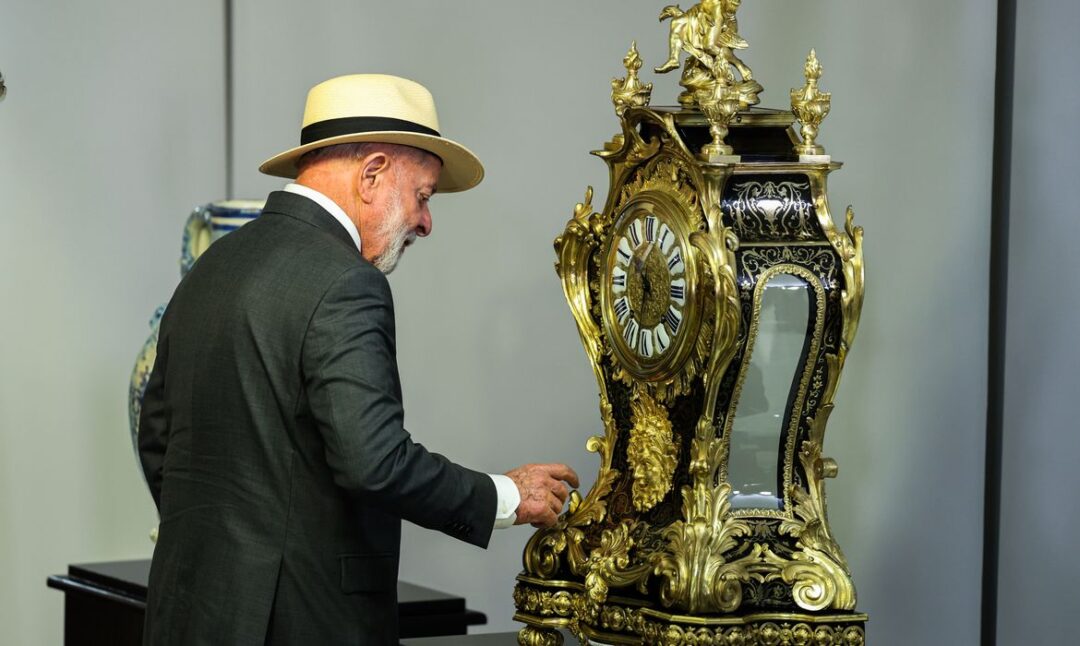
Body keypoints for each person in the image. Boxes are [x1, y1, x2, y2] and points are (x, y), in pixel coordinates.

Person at [137, 74, 579, 646]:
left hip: (186, 614)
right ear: (372, 174)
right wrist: (509, 496)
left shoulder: (212, 265)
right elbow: (373, 461)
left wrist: (225, 555)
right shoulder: (348, 282)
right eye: (423, 196)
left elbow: (157, 437)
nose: (426, 222)